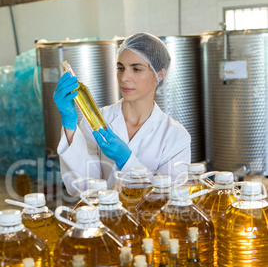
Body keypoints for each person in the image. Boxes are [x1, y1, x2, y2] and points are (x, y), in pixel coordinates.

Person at [54, 33, 191, 196]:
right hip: (102, 220)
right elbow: (80, 186)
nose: (124, 78)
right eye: (120, 68)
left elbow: (169, 199)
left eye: (136, 69)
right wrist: (70, 126)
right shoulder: (97, 120)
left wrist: (127, 161)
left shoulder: (176, 136)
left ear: (159, 75)